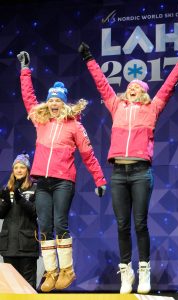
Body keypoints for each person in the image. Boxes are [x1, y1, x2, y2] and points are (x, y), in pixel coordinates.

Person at [78, 42, 178, 294]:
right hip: (118, 173)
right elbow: (101, 83)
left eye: (135, 88)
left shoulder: (152, 109)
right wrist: (89, 58)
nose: (130, 89)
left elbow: (169, 85)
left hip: (141, 172)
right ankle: (125, 272)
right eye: (128, 87)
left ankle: (143, 270)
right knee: (122, 225)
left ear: (142, 93)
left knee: (139, 223)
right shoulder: (116, 106)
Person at [16, 51, 107, 293]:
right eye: (51, 100)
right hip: (42, 183)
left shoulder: (75, 126)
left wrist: (99, 179)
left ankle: (67, 269)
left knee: (60, 222)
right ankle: (51, 271)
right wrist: (25, 70)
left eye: (58, 100)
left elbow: (88, 155)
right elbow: (28, 98)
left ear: (64, 103)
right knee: (44, 225)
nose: (54, 104)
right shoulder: (41, 121)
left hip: (63, 181)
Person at [0, 153, 38, 289]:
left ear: (27, 170)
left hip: (27, 246)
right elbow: (1, 214)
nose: (19, 170)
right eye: (16, 167)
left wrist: (20, 199)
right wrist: (5, 201)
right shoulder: (6, 189)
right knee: (10, 286)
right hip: (8, 246)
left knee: (27, 286)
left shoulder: (35, 188)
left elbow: (36, 212)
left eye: (22, 167)